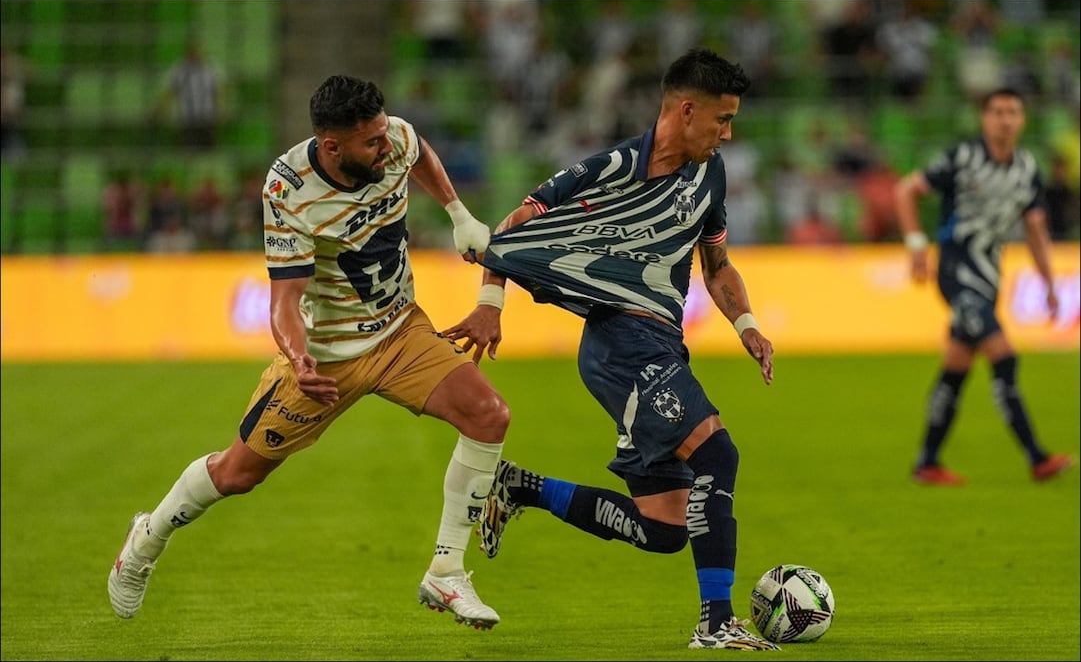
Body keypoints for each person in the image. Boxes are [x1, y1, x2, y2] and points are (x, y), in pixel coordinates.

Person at [108, 75, 510, 629]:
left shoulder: (393, 137)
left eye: (384, 133)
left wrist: (457, 212)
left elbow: (419, 154)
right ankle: (147, 538)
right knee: (237, 474)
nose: (386, 146)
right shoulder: (288, 189)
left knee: (489, 416)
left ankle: (446, 572)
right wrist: (299, 360)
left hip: (400, 332)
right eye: (370, 142)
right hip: (327, 356)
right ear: (332, 147)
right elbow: (285, 300)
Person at [444, 48, 778, 650]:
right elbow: (515, 226)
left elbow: (718, 265)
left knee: (664, 527)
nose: (728, 134)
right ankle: (717, 622)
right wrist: (490, 305)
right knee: (718, 457)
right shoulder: (612, 167)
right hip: (619, 345)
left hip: (661, 344)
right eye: (722, 120)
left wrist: (746, 322)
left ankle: (520, 487)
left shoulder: (711, 175)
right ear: (685, 110)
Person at [894, 87, 1074, 486]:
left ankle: (927, 462)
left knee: (956, 368)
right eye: (997, 112)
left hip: (990, 276)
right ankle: (1036, 456)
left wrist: (1049, 283)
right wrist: (916, 244)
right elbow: (906, 190)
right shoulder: (963, 158)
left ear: (1022, 120)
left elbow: (1035, 229)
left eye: (1013, 111)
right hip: (957, 272)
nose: (1005, 119)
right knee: (1004, 357)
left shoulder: (1027, 168)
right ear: (985, 119)